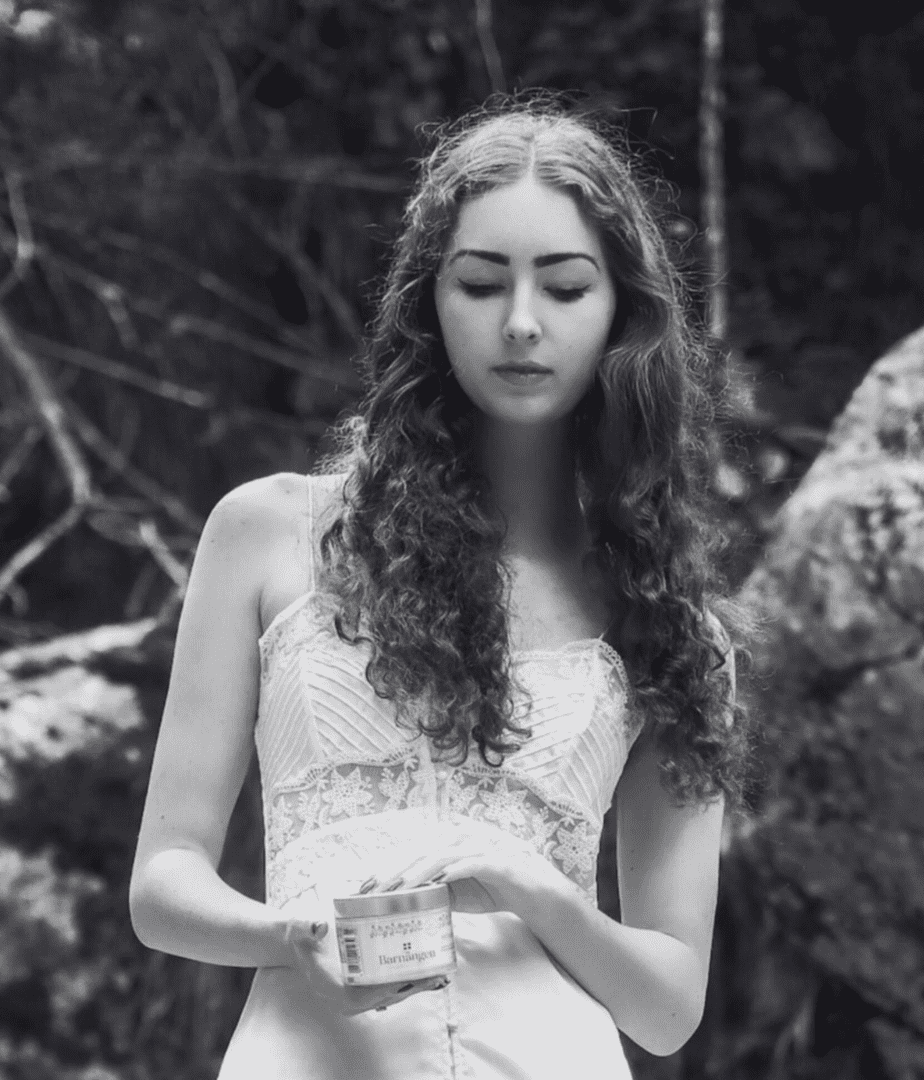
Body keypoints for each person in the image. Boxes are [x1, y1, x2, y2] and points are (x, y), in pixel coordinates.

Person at [128, 102, 749, 1080]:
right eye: (480, 282)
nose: (521, 323)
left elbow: (668, 1005)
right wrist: (290, 933)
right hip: (307, 1050)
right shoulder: (267, 533)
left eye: (566, 286)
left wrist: (535, 891)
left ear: (621, 313)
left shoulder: (668, 622)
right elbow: (163, 884)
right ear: (429, 300)